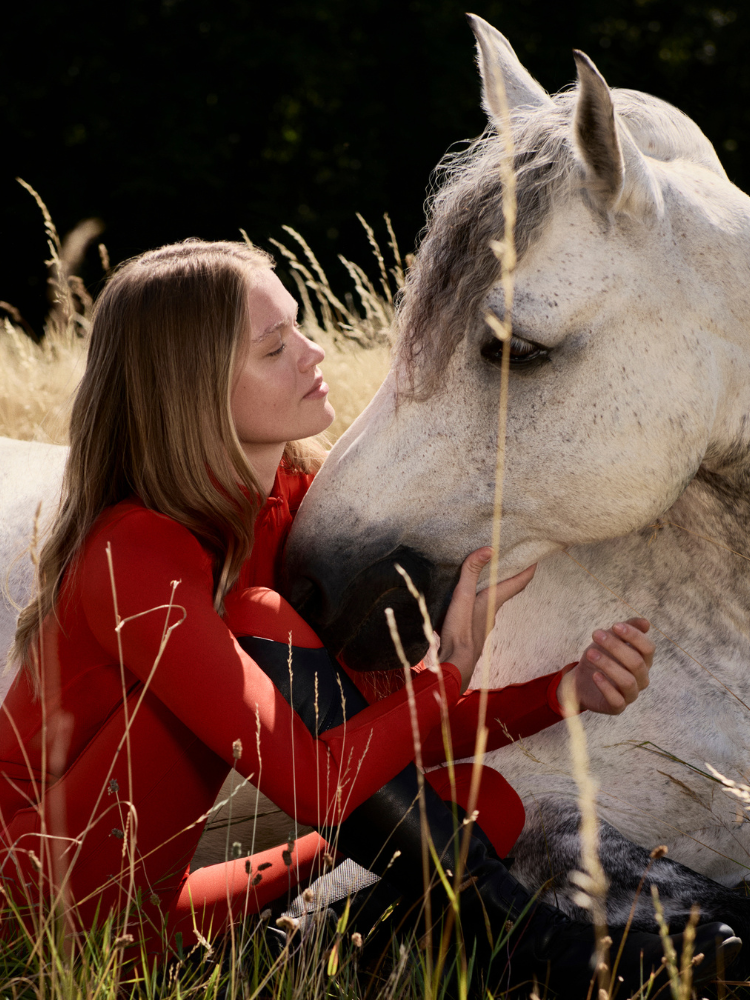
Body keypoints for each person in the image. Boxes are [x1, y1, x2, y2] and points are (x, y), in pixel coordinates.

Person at [0, 240, 738, 994]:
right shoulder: (136, 550)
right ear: (195, 389)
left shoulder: (294, 516)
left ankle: (357, 942)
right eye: (274, 346)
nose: (314, 352)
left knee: (486, 804)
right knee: (260, 616)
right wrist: (448, 664)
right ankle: (530, 941)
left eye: (300, 326)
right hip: (35, 904)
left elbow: (380, 750)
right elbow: (321, 787)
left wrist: (562, 693)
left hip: (160, 914)